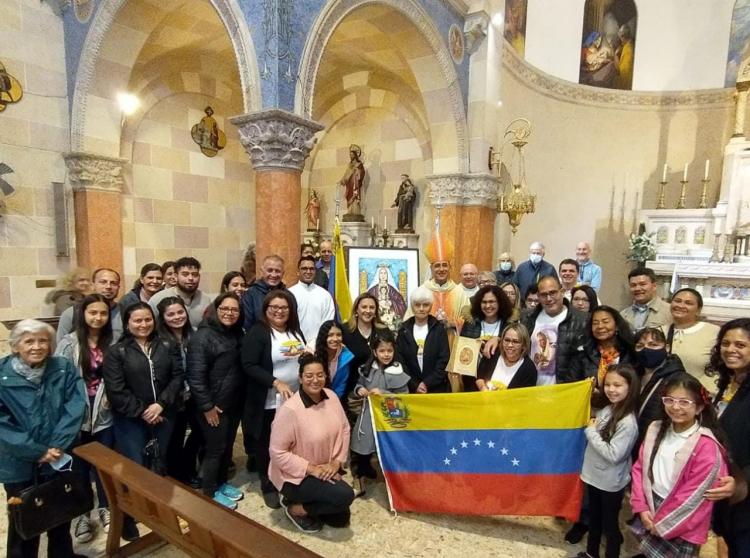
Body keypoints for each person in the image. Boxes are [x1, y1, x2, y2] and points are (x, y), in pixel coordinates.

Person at [1, 319, 87, 558]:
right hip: (18, 462)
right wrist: (37, 451)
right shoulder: (2, 374)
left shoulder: (62, 367)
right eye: (29, 341)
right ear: (16, 345)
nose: (37, 346)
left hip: (58, 455)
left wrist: (57, 446)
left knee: (61, 510)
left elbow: (76, 404)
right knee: (24, 518)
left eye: (43, 341)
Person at [103, 302, 184, 541]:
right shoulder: (117, 351)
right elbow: (116, 390)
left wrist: (162, 404)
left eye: (147, 319)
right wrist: (143, 411)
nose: (143, 324)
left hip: (164, 413)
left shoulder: (167, 345)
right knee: (135, 465)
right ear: (128, 323)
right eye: (137, 320)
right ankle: (130, 514)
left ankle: (157, 508)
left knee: (159, 460)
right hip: (131, 418)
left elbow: (177, 376)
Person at [631, 374, 729, 558]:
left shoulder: (706, 446)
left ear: (699, 407)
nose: (675, 407)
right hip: (652, 508)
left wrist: (663, 524)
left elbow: (695, 495)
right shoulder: (655, 428)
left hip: (683, 519)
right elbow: (640, 469)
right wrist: (642, 507)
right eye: (670, 400)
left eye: (684, 402)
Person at [268, 354, 354, 533]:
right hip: (297, 475)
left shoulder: (331, 396)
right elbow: (277, 453)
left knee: (341, 519)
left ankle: (309, 501)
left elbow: (345, 429)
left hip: (326, 468)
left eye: (320, 375)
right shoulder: (290, 410)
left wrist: (336, 462)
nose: (315, 380)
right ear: (300, 378)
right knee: (345, 496)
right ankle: (295, 508)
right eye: (309, 376)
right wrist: (313, 469)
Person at [55, 294, 114, 542]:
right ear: (83, 314)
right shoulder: (69, 344)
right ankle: (81, 515)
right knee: (77, 467)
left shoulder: (114, 341)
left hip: (106, 413)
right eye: (93, 312)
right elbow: (59, 381)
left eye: (103, 313)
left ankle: (106, 507)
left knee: (104, 464)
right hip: (76, 414)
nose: (98, 317)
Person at [241, 290, 306, 509]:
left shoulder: (294, 331)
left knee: (289, 441)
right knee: (266, 443)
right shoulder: (258, 332)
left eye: (284, 308)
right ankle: (268, 484)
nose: (279, 311)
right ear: (266, 310)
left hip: (294, 399)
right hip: (268, 400)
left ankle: (286, 478)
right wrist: (275, 382)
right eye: (274, 308)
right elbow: (249, 365)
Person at [187, 293, 245, 509]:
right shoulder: (202, 337)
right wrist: (207, 407)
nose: (230, 313)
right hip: (212, 406)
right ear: (216, 309)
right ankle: (209, 492)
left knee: (227, 447)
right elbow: (195, 377)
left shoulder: (236, 333)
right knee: (215, 449)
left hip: (232, 403)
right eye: (225, 309)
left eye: (235, 310)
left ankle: (221, 483)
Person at [576, 364, 640, 558]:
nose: (611, 389)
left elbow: (614, 455)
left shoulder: (628, 423)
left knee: (609, 525)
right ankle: (591, 553)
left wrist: (590, 431)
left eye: (618, 385)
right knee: (594, 520)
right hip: (594, 477)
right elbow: (597, 424)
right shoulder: (608, 409)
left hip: (610, 483)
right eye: (608, 384)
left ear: (630, 387)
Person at [350, 332, 410, 496]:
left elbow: (404, 396)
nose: (386, 355)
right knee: (363, 445)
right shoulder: (367, 369)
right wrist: (359, 389)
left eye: (389, 351)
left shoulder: (398, 371)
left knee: (388, 448)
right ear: (375, 352)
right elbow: (358, 384)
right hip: (369, 414)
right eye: (382, 351)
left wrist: (383, 392)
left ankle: (394, 481)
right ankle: (362, 473)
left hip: (390, 416)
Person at [711, 318, 750, 556]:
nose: (730, 350)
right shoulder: (729, 383)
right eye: (725, 343)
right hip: (726, 490)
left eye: (740, 345)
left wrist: (743, 481)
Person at [156, 296, 200, 485]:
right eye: (171, 314)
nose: (177, 317)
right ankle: (177, 476)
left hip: (194, 395)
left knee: (199, 433)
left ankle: (187, 468)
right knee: (174, 437)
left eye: (180, 312)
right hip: (172, 397)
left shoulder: (195, 334)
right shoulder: (159, 340)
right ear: (163, 317)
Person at [520, 276, 589, 385]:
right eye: (543, 295)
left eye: (553, 293)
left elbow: (587, 358)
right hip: (529, 387)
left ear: (561, 291)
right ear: (538, 296)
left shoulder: (582, 320)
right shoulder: (526, 317)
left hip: (564, 389)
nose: (549, 298)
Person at [634, 327, 687, 447]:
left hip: (659, 444)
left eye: (653, 345)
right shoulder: (634, 374)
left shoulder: (678, 379)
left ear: (667, 348)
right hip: (632, 443)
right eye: (640, 346)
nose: (646, 349)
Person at [574, 306, 636, 407]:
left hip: (622, 408)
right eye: (595, 323)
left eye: (605, 321)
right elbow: (573, 383)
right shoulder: (583, 353)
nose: (600, 326)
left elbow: (634, 385)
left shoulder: (630, 352)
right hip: (590, 409)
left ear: (616, 325)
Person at [662, 288, 720, 393]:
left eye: (688, 303)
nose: (680, 305)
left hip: (700, 395)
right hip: (664, 396)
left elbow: (720, 368)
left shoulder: (714, 333)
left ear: (698, 310)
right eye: (677, 301)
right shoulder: (660, 331)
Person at [396, 287, 451, 393]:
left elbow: (444, 359)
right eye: (417, 305)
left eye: (425, 305)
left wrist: (427, 383)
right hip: (411, 389)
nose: (421, 309)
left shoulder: (439, 328)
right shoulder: (403, 330)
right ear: (412, 306)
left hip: (437, 388)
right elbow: (400, 361)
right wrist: (414, 384)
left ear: (430, 307)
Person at [57, 267, 122, 343]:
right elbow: (62, 347)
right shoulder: (72, 313)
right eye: (103, 282)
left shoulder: (125, 313)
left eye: (113, 283)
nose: (108, 287)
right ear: (92, 285)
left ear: (118, 288)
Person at [149, 257, 212, 327]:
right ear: (176, 276)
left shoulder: (205, 299)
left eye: (194, 274)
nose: (190, 278)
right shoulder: (158, 299)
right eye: (185, 274)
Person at [475, 323, 537, 390]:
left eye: (515, 342)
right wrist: (483, 388)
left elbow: (524, 397)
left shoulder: (529, 369)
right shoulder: (492, 353)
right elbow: (479, 377)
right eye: (507, 340)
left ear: (524, 345)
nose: (510, 345)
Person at [341, 293, 388, 380]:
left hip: (379, 385)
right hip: (351, 385)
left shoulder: (384, 331)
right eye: (364, 307)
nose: (368, 310)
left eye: (372, 307)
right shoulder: (344, 331)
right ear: (356, 310)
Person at [289, 256, 335, 345]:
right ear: (298, 272)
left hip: (319, 345)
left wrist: (314, 345)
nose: (308, 272)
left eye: (311, 269)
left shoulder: (325, 295)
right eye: (304, 269)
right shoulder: (289, 294)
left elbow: (327, 323)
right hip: (294, 346)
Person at [242, 254, 289, 330]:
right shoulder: (250, 295)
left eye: (277, 271)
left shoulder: (289, 295)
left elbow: (294, 324)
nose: (273, 275)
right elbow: (247, 325)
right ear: (262, 271)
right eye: (269, 270)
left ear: (283, 273)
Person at [620, 267, 672, 332]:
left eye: (642, 284)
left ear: (654, 286)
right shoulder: (623, 314)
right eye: (633, 285)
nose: (637, 289)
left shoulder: (669, 311)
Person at [314, 320, 355, 399]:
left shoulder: (345, 356)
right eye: (330, 335)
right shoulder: (313, 353)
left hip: (334, 399)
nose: (335, 339)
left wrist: (332, 401)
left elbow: (341, 384)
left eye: (339, 335)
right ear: (324, 336)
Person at [366, 263, 407, 330]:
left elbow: (401, 304)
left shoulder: (392, 290)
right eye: (381, 273)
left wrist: (391, 303)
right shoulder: (372, 290)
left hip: (390, 321)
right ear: (378, 275)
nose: (383, 275)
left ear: (388, 275)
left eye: (385, 273)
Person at [339, 144, 365, 216]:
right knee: (349, 196)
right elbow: (346, 174)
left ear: (355, 155)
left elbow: (362, 172)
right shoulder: (349, 164)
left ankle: (356, 212)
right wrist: (342, 180)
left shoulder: (359, 164)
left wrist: (357, 171)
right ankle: (350, 211)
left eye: (352, 154)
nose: (351, 156)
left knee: (355, 195)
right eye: (350, 155)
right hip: (349, 184)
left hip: (355, 183)